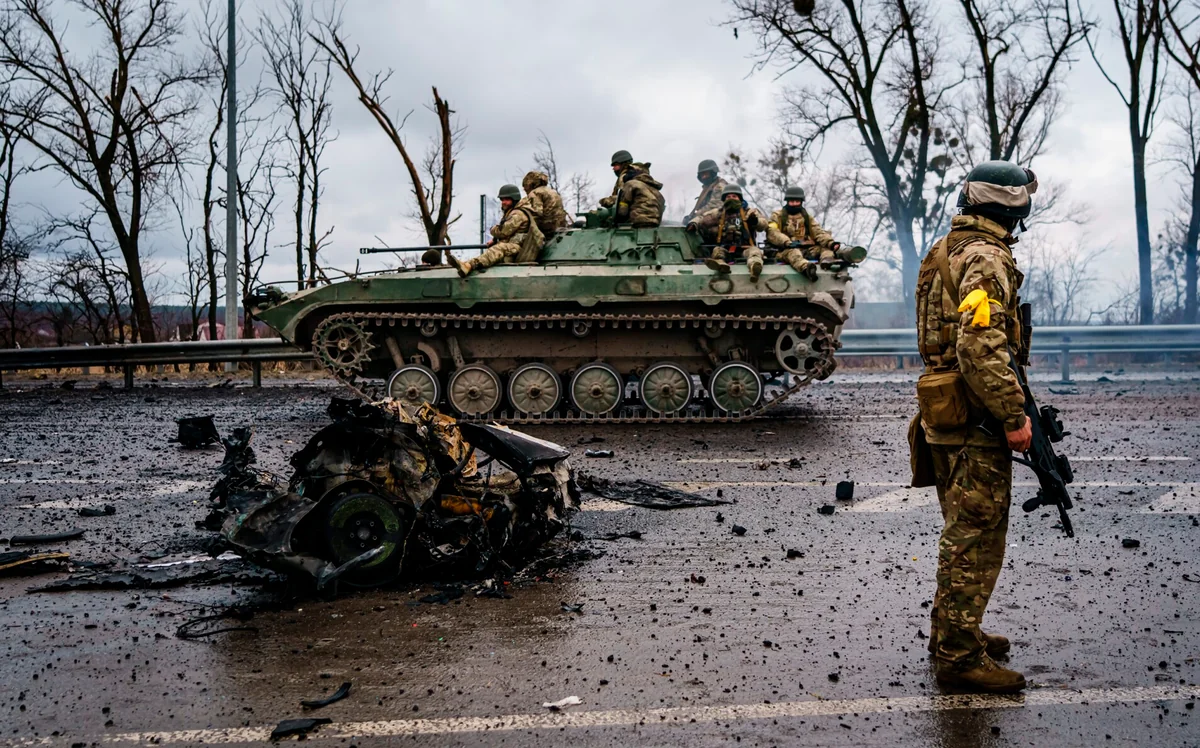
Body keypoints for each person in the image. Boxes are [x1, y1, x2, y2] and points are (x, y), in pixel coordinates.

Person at [910, 160, 1038, 694]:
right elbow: (979, 345)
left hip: (947, 411)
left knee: (964, 529)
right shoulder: (986, 258)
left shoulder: (946, 249)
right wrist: (1013, 416)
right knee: (975, 534)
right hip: (975, 417)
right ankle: (959, 658)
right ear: (1009, 207)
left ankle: (956, 631)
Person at [445, 184, 544, 278]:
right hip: (513, 246)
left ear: (514, 199)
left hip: (519, 248)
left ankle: (469, 265)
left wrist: (493, 230)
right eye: (502, 199)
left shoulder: (518, 214)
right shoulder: (512, 212)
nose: (503, 202)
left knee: (498, 249)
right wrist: (495, 239)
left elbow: (503, 231)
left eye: (507, 199)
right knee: (497, 249)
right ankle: (468, 264)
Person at [686, 184, 768, 281]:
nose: (731, 199)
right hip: (725, 248)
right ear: (724, 199)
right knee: (717, 251)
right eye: (728, 197)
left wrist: (755, 221)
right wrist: (694, 223)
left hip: (745, 248)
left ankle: (755, 267)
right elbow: (702, 218)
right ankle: (721, 265)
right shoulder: (719, 213)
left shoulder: (749, 212)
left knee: (755, 252)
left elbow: (764, 224)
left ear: (740, 198)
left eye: (734, 196)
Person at [765, 186, 836, 277]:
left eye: (797, 201)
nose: (794, 204)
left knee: (825, 248)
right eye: (791, 201)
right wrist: (787, 242)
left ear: (801, 202)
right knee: (794, 253)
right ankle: (806, 268)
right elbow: (772, 232)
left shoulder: (806, 217)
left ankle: (826, 262)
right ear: (787, 201)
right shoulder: (777, 216)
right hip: (783, 251)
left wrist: (831, 243)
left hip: (805, 249)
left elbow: (818, 231)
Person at [614, 163, 665, 227]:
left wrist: (617, 220)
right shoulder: (656, 191)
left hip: (637, 222)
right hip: (654, 224)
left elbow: (623, 210)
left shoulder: (630, 184)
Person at [522, 171, 570, 237]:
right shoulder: (552, 191)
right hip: (560, 226)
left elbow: (537, 212)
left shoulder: (535, 193)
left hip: (547, 228)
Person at [682, 159, 729, 224]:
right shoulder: (708, 187)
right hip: (707, 220)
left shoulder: (720, 186)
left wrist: (694, 216)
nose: (703, 177)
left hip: (717, 223)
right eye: (701, 175)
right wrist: (690, 216)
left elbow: (714, 206)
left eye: (706, 174)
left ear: (713, 173)